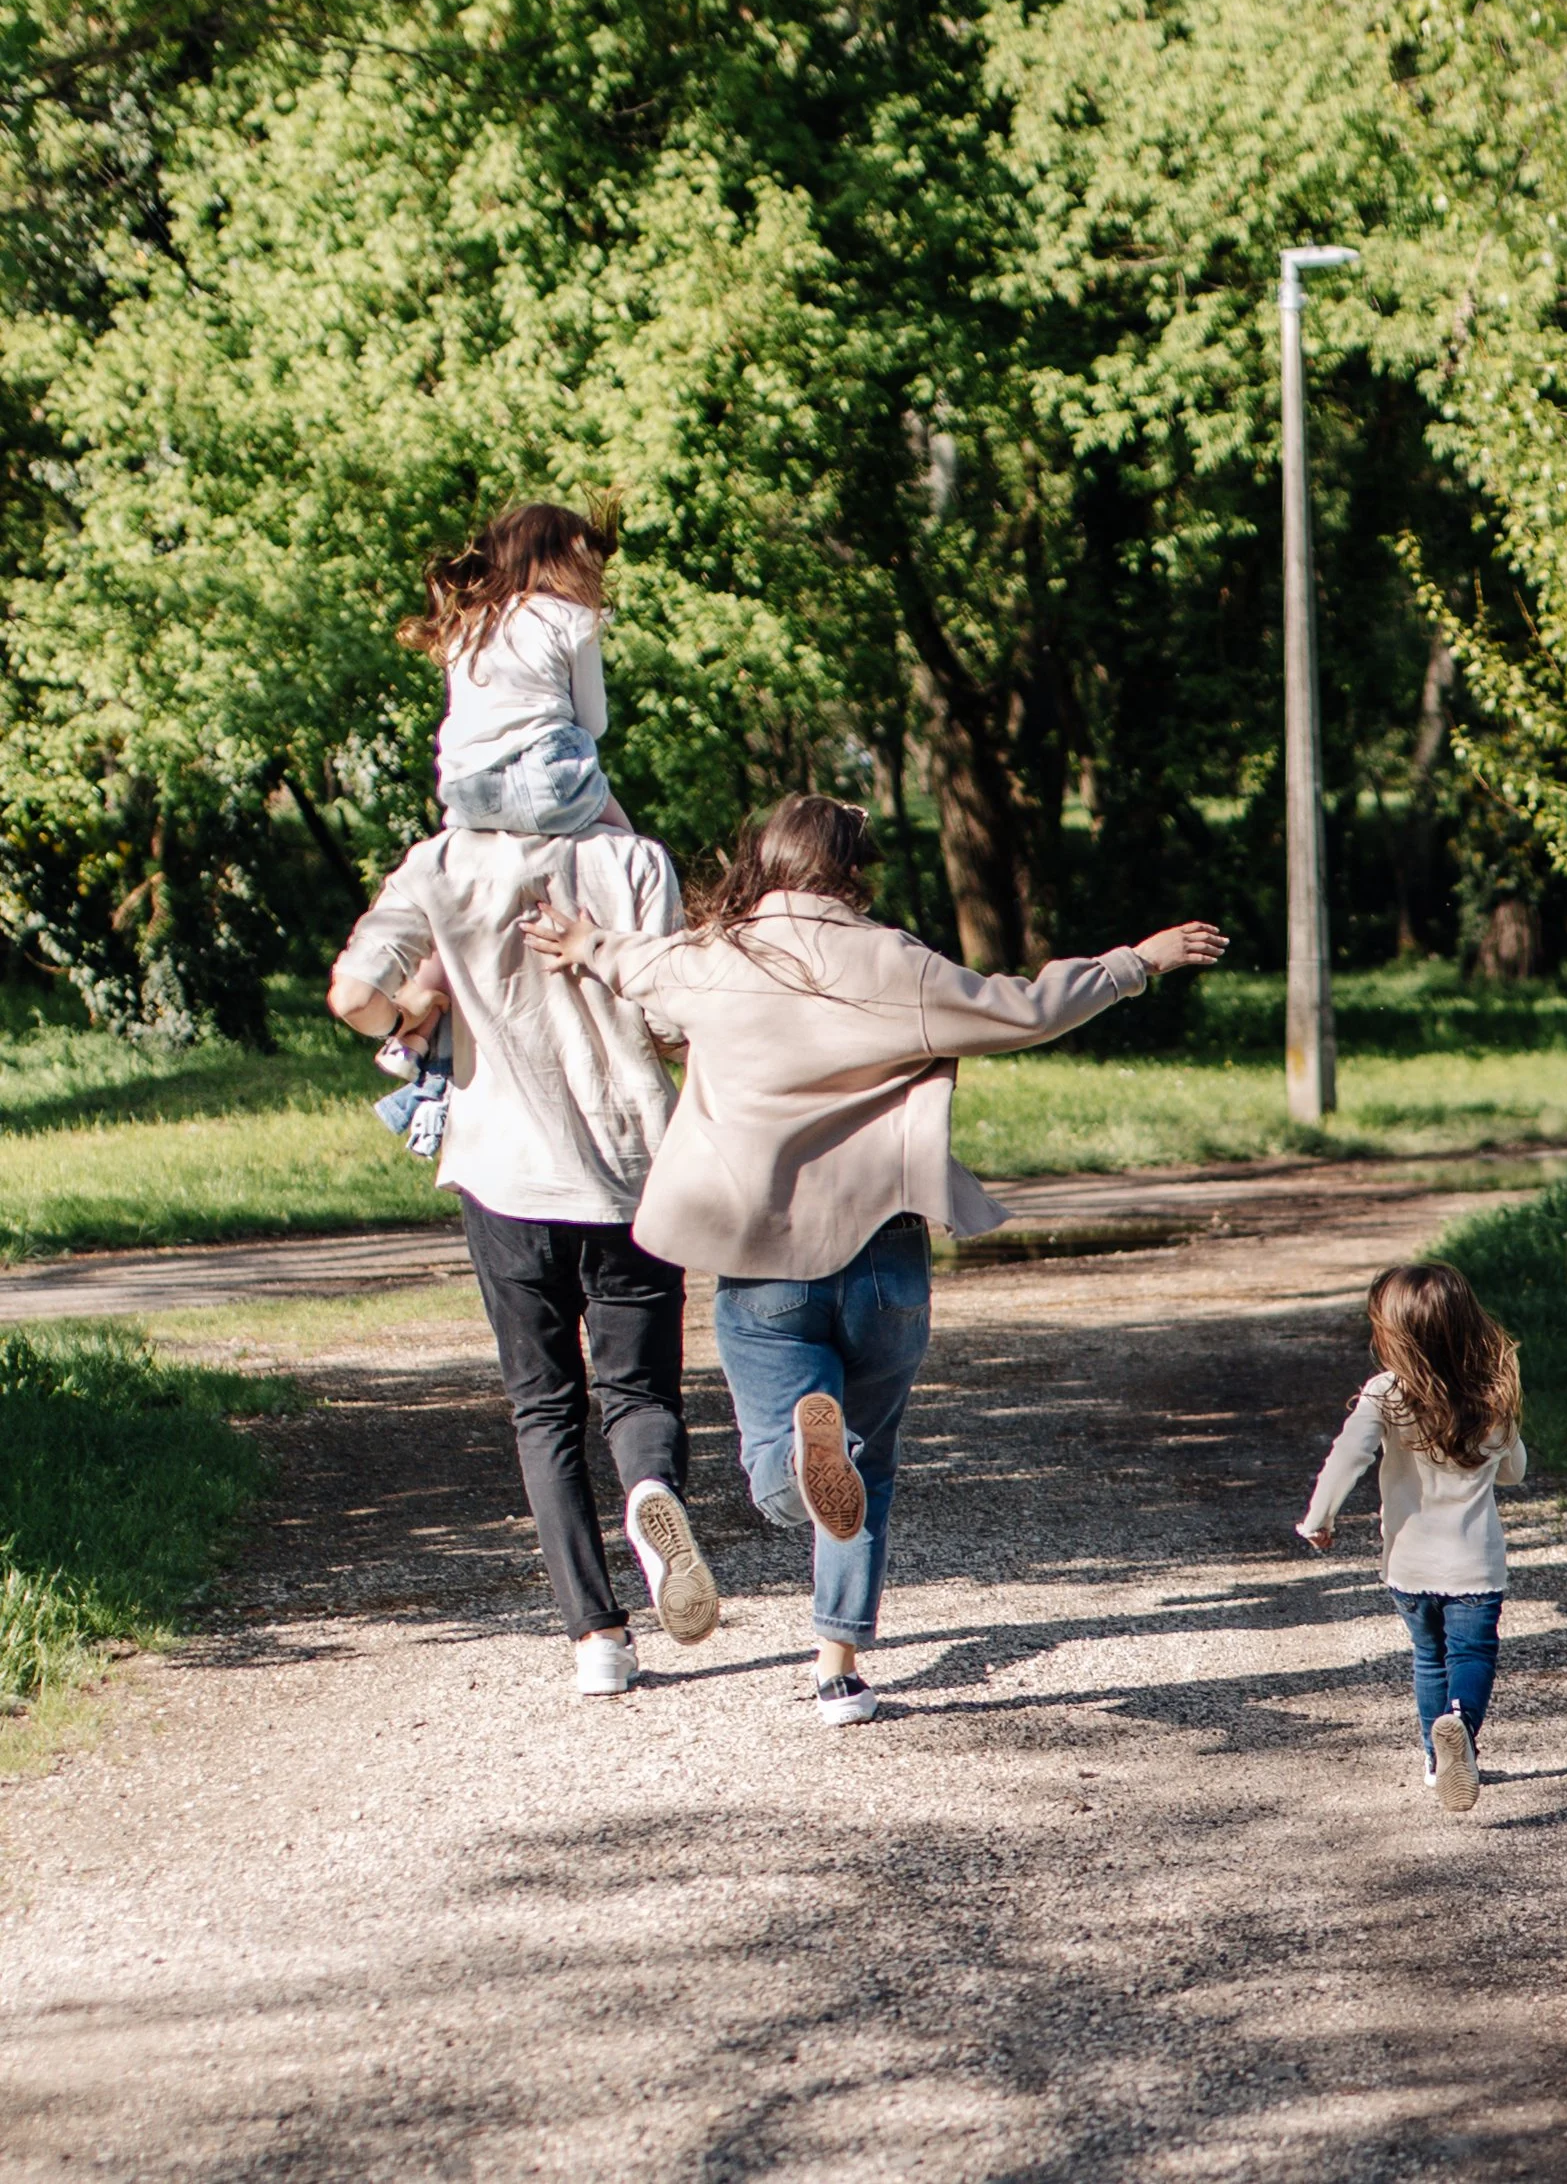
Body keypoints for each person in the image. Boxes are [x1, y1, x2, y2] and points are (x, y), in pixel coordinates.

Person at [520, 792, 1228, 1726]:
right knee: (869, 1467)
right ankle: (838, 1670)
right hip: (883, 1253)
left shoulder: (712, 959)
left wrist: (581, 942)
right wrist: (1136, 962)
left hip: (764, 1259)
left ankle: (804, 1457)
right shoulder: (898, 962)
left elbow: (629, 962)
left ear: (764, 862)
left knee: (788, 1474)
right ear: (854, 871)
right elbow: (1025, 1009)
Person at [325, 821, 721, 1698]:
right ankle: (652, 1491)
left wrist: (411, 1015)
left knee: (543, 1408)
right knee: (640, 1393)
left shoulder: (442, 861)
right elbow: (667, 1019)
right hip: (629, 1171)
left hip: (505, 1173)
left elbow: (354, 995)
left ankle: (598, 1637)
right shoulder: (635, 859)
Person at [379, 499, 636, 1074]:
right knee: (635, 851)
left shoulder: (467, 621)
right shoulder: (570, 617)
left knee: (454, 890)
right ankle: (627, 963)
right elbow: (591, 724)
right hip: (548, 777)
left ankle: (414, 1028)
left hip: (466, 787)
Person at [1295, 1261, 1527, 1812]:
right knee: (1471, 1655)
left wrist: (1319, 1519)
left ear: (1395, 1336)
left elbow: (1347, 1457)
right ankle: (1461, 1728)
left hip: (1409, 1565)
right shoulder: (1492, 1393)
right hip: (1475, 1566)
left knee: (1429, 1655)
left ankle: (1434, 1756)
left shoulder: (1385, 1394)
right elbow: (1514, 1471)